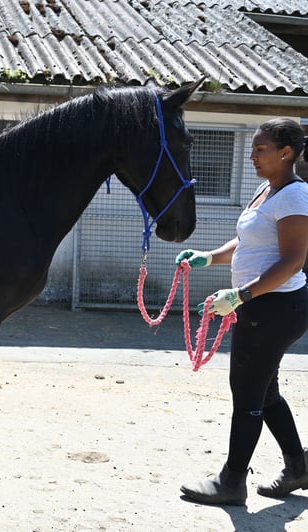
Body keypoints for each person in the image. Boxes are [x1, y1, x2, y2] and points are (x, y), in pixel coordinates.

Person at [177, 118, 308, 506]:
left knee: (248, 391)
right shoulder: (267, 190)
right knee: (265, 392)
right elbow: (247, 241)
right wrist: (208, 257)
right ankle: (298, 467)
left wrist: (239, 295)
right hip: (262, 305)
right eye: (252, 148)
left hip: (275, 308)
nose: (252, 155)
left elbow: (292, 261)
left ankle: (232, 482)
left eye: (259, 149)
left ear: (286, 153)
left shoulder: (293, 197)